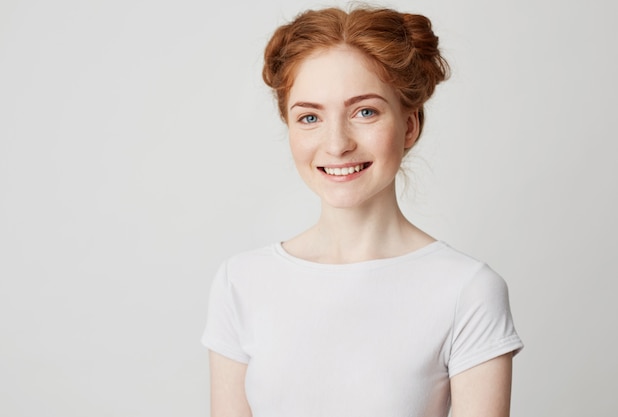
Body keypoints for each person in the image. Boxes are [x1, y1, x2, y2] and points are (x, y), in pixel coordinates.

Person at [202, 5, 523, 417]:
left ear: (410, 125)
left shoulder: (468, 290)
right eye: (310, 117)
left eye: (365, 112)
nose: (336, 144)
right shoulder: (240, 282)